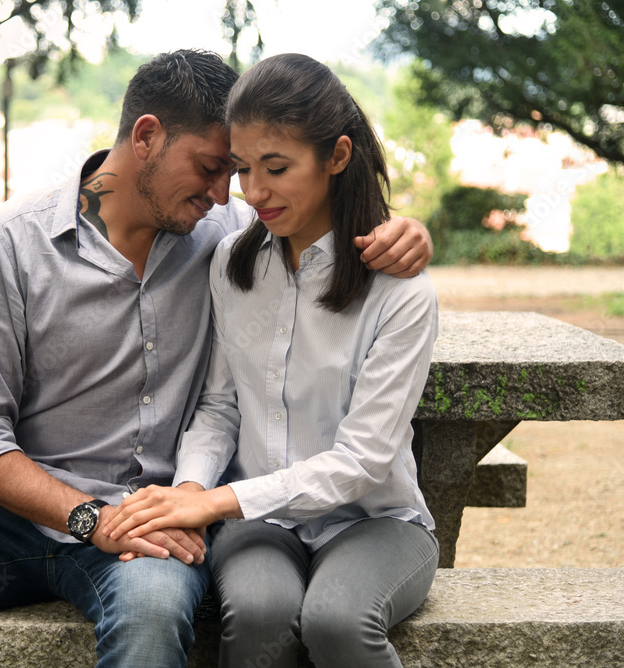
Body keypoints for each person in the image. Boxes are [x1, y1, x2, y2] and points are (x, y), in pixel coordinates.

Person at [0, 50, 433, 668]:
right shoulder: (7, 246)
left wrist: (402, 228)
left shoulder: (224, 237)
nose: (225, 193)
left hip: (148, 523)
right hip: (9, 515)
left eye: (233, 171)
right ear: (148, 137)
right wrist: (88, 519)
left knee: (152, 615)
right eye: (216, 168)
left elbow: (312, 203)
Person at [104, 53, 440, 667]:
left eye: (276, 168)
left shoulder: (400, 291)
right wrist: (187, 492)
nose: (254, 191)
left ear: (336, 157)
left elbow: (364, 462)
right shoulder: (233, 264)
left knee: (338, 620)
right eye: (241, 169)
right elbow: (219, 407)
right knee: (260, 611)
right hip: (261, 526)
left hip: (374, 519)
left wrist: (214, 504)